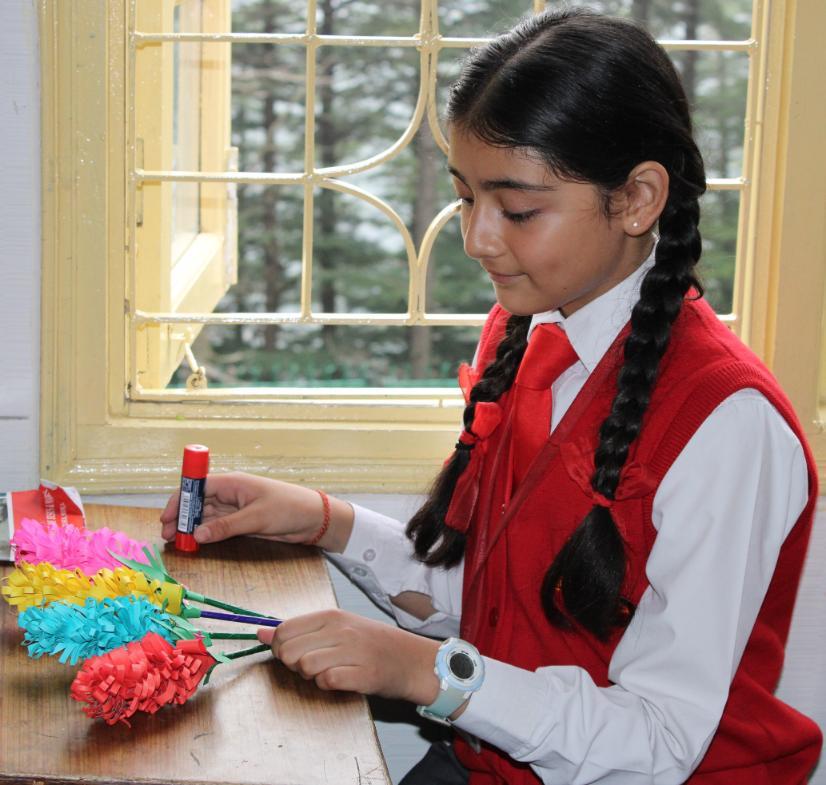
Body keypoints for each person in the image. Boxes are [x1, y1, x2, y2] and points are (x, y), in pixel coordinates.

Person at [160, 8, 821, 784]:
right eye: (466, 198)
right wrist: (322, 519)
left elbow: (659, 740)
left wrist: (425, 671)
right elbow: (498, 602)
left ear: (638, 198)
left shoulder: (727, 425)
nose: (477, 238)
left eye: (517, 209)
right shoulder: (525, 332)